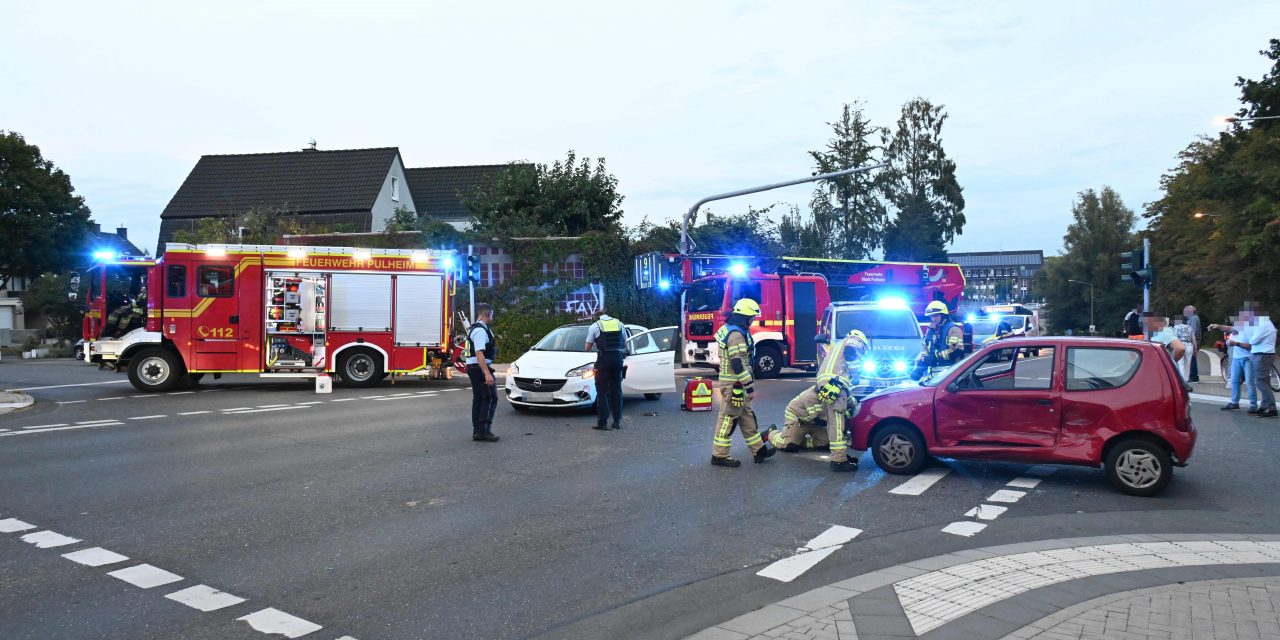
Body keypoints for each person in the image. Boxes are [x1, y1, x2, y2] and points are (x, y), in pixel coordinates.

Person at [710, 298, 775, 468]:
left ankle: (759, 450)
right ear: (745, 317)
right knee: (728, 420)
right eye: (752, 317)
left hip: (735, 383)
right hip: (735, 384)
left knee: (747, 418)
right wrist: (749, 385)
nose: (753, 320)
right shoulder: (736, 335)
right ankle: (719, 455)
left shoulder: (730, 329)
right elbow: (737, 363)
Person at [764, 377, 859, 472]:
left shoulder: (840, 393)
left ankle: (799, 439)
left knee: (827, 444)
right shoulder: (811, 398)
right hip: (799, 418)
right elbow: (823, 420)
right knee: (789, 445)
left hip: (814, 420)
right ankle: (771, 433)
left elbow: (852, 404)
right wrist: (842, 418)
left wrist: (851, 411)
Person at [585, 310, 630, 430]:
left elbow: (587, 348)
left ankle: (603, 423)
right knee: (617, 391)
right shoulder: (619, 323)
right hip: (617, 359)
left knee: (602, 392)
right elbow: (625, 343)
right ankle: (617, 422)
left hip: (604, 360)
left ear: (596, 318)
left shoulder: (595, 326)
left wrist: (596, 344)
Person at [1229, 304, 1277, 418]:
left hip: (1263, 354)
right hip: (1261, 354)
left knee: (1260, 382)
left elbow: (1254, 340)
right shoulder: (1262, 323)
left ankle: (1272, 408)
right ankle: (1264, 406)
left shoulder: (1263, 324)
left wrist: (1247, 337)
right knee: (1264, 381)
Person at [465, 304, 500, 442]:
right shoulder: (480, 331)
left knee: (479, 399)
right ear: (486, 314)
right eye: (491, 315)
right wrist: (487, 373)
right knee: (490, 398)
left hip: (474, 367)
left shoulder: (475, 328)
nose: (492, 317)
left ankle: (478, 431)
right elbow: (479, 352)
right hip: (479, 368)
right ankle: (484, 431)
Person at [1209, 313, 1257, 412]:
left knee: (1249, 382)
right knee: (1234, 381)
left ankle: (1253, 405)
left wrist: (1236, 344)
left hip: (1248, 359)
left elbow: (1251, 346)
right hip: (1236, 358)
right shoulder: (1237, 329)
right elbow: (1227, 328)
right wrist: (1217, 326)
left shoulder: (1252, 331)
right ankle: (1234, 403)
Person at [912, 301, 965, 380]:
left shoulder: (953, 329)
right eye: (931, 316)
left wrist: (935, 357)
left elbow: (956, 351)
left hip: (950, 375)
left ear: (943, 315)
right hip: (933, 376)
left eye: (936, 315)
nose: (933, 319)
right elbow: (925, 349)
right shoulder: (930, 330)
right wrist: (920, 367)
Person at [1171, 316, 1195, 383]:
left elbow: (1173, 338)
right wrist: (1195, 349)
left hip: (1179, 345)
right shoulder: (1190, 327)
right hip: (1189, 346)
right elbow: (1193, 339)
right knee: (1188, 364)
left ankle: (1182, 380)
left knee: (1181, 364)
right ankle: (1186, 380)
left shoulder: (1175, 328)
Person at [1185, 305, 1202, 382]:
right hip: (1194, 341)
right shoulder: (1194, 318)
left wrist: (1190, 341)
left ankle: (1193, 377)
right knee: (1192, 359)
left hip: (1193, 341)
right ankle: (1193, 376)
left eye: (1186, 311)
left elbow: (1192, 331)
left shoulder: (1194, 318)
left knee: (1192, 359)